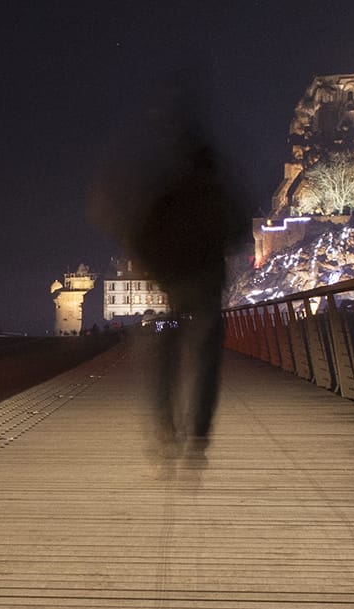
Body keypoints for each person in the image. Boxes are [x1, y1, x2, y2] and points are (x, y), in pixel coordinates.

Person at [101, 96, 249, 470]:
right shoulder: (216, 192)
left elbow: (140, 232)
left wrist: (155, 268)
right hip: (207, 290)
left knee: (165, 347)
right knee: (207, 353)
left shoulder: (167, 194)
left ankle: (166, 425)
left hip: (173, 289)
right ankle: (198, 432)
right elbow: (239, 231)